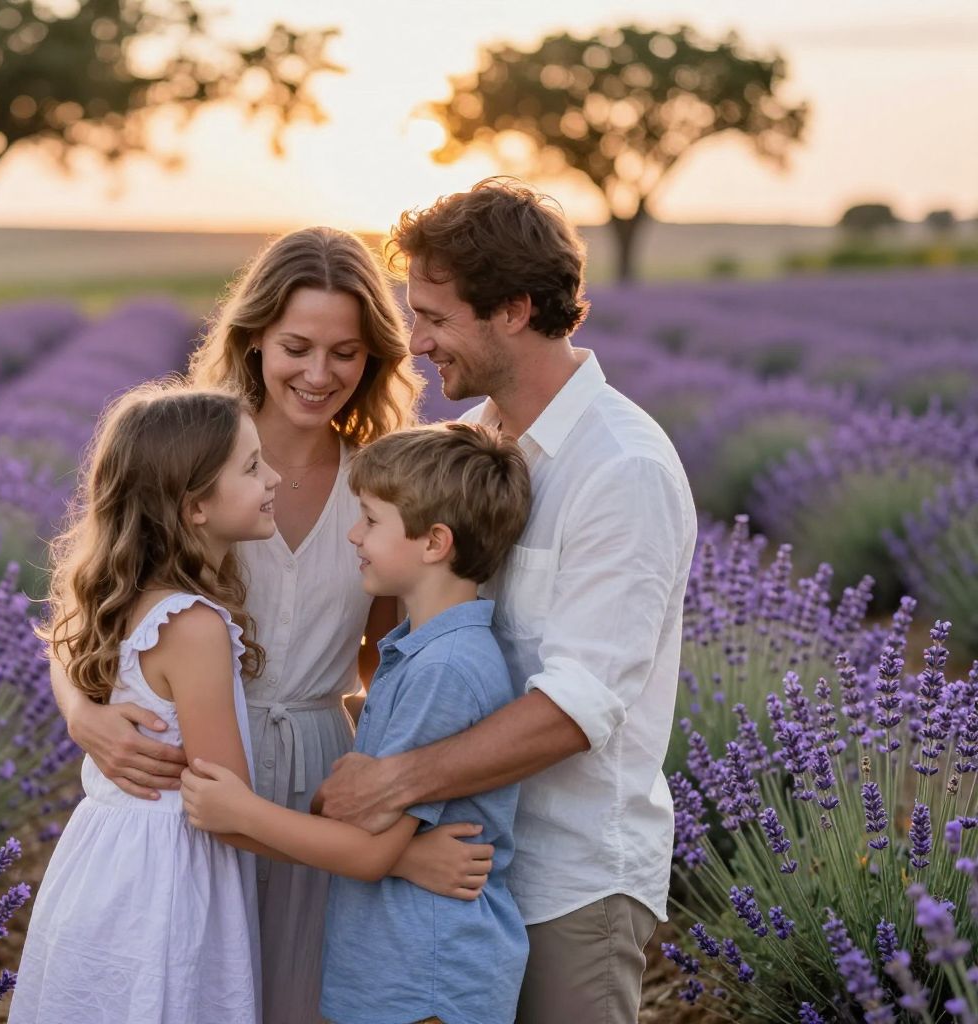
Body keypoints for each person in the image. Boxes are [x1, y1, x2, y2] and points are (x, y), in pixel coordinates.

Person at [48, 227, 495, 1023]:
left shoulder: (380, 483)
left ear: (374, 360)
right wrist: (85, 717)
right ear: (253, 339)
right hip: (197, 771)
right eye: (296, 346)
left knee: (295, 997)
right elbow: (89, 611)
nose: (319, 374)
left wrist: (385, 819)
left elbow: (382, 661)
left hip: (321, 771)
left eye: (346, 353)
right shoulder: (197, 460)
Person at [313, 179, 699, 1024]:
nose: (416, 343)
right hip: (452, 866)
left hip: (569, 879)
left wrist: (390, 783)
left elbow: (577, 707)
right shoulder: (472, 450)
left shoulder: (620, 468)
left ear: (516, 309)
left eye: (437, 318)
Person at [183, 421, 533, 1024]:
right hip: (398, 967)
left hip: (427, 976)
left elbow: (372, 852)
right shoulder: (416, 650)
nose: (353, 534)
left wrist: (240, 811)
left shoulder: (444, 670)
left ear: (434, 543)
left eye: (370, 520)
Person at [9, 383, 281, 1024]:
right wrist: (371, 856)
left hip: (103, 866)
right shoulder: (192, 626)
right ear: (195, 509)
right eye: (250, 467)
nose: (273, 477)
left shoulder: (131, 596)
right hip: (164, 886)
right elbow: (228, 809)